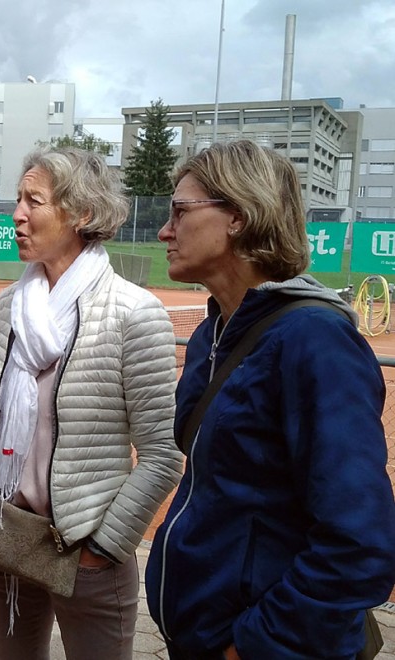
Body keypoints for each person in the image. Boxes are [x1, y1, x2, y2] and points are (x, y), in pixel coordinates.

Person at [147, 139, 395, 659]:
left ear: (237, 216)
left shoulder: (316, 342)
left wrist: (254, 645)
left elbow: (359, 545)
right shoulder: (211, 335)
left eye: (179, 211)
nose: (165, 231)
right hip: (200, 635)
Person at [0, 145, 183, 660]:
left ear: (82, 213)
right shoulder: (9, 306)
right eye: (18, 198)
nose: (17, 213)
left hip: (86, 548)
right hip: (5, 535)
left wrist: (102, 549)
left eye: (33, 200)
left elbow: (162, 454)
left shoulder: (135, 314)